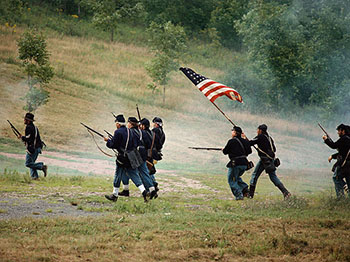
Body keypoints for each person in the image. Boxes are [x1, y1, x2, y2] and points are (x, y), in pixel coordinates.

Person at [104, 115, 147, 202]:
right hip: (130, 158)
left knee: (117, 175)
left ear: (118, 124)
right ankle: (144, 191)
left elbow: (113, 145)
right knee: (134, 175)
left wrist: (108, 141)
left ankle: (115, 195)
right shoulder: (131, 131)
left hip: (122, 158)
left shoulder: (118, 132)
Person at [246, 124, 291, 199]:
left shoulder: (260, 137)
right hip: (271, 160)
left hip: (264, 160)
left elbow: (250, 143)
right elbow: (274, 149)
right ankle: (285, 192)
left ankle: (250, 195)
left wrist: (244, 138)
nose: (257, 131)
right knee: (273, 177)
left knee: (254, 176)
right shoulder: (269, 138)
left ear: (260, 130)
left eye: (257, 130)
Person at [119, 117, 158, 199]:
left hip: (135, 154)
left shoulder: (130, 132)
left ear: (131, 123)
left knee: (127, 170)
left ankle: (129, 189)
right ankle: (152, 190)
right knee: (144, 172)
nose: (127, 124)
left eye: (128, 123)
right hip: (143, 154)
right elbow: (148, 144)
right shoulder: (142, 132)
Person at [223, 126, 252, 200]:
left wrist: (223, 149)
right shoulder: (245, 141)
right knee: (236, 178)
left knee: (231, 180)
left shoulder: (231, 141)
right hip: (244, 164)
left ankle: (239, 196)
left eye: (232, 131)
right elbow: (249, 151)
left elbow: (225, 152)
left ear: (235, 133)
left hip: (235, 164)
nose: (232, 132)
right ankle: (245, 189)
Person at [323, 124, 350, 198]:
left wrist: (326, 139)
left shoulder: (344, 138)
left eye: (339, 130)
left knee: (336, 178)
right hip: (348, 164)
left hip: (344, 164)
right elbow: (343, 152)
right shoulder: (348, 139)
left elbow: (334, 145)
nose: (338, 132)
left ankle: (341, 198)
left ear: (343, 131)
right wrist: (333, 156)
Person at [18, 113, 47, 180]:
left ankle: (41, 166)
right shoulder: (34, 127)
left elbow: (29, 138)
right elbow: (32, 138)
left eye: (25, 119)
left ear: (28, 120)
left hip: (33, 148)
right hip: (37, 147)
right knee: (32, 163)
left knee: (28, 164)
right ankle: (35, 177)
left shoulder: (28, 127)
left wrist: (22, 137)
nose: (24, 120)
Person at [149, 117, 166, 191]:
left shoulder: (155, 130)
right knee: (150, 169)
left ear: (156, 124)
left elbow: (149, 137)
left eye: (154, 123)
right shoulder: (163, 133)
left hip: (152, 153)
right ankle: (153, 183)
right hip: (156, 153)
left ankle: (153, 184)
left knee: (149, 169)